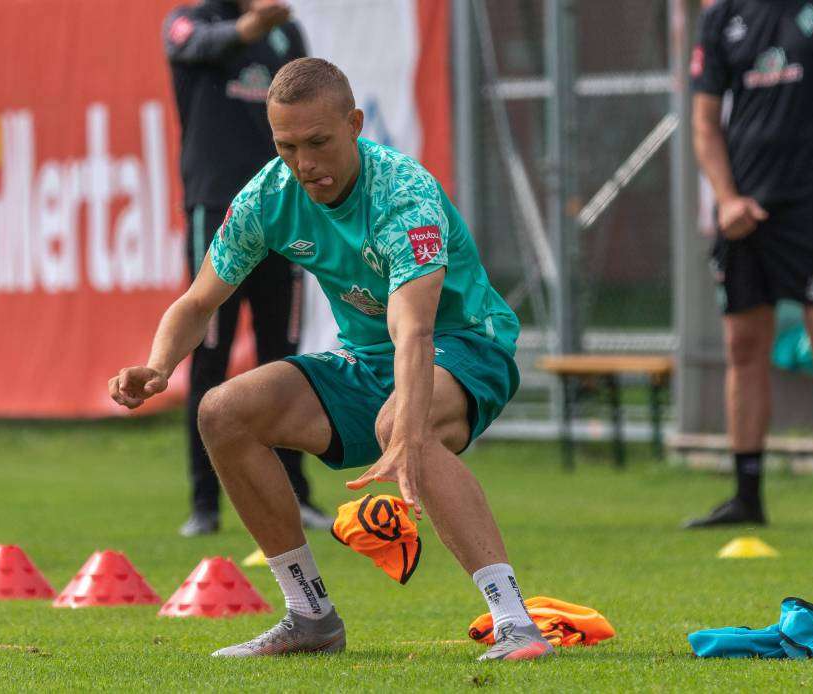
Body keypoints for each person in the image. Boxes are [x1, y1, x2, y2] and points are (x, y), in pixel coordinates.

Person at [110, 58, 553, 661]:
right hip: (370, 360)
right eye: (287, 146)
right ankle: (310, 615)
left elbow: (415, 328)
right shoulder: (270, 192)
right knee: (222, 411)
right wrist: (159, 366)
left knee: (403, 421)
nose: (304, 163)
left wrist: (405, 434)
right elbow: (197, 301)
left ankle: (516, 623)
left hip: (466, 345)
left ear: (355, 124)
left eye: (318, 142)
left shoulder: (404, 192)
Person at [686, 0, 813, 529]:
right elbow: (704, 122)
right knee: (743, 346)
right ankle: (746, 496)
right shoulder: (720, 15)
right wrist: (726, 198)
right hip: (746, 208)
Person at [163, 0, 331, 537]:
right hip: (216, 210)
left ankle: (296, 494)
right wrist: (249, 24)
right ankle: (205, 504)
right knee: (208, 359)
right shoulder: (190, 21)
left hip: (285, 216)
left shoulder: (287, 37)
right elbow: (198, 43)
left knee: (282, 361)